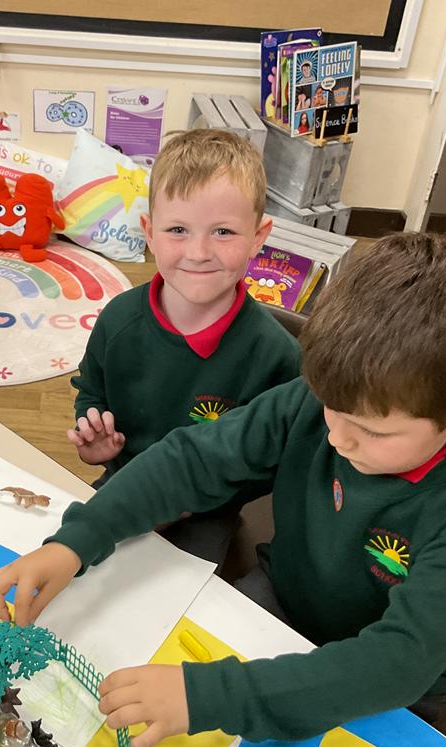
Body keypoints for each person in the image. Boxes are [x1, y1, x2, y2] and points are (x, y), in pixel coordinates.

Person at [0, 232, 446, 747]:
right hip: (282, 601)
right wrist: (78, 540)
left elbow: (398, 663)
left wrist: (208, 697)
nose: (337, 439)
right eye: (331, 409)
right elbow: (191, 461)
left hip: (396, 682)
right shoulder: (311, 405)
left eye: (372, 432)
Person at [66, 128, 301, 568]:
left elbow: (270, 460)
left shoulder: (277, 356)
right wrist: (92, 441)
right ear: (149, 232)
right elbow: (92, 390)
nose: (198, 252)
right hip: (120, 490)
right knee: (76, 573)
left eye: (223, 231)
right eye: (178, 229)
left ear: (258, 236)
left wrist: (191, 503)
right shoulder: (118, 319)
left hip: (206, 516)